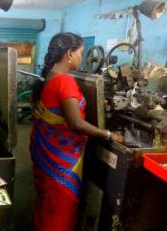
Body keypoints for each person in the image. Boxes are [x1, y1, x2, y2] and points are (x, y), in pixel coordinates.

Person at [29, 32, 124, 231]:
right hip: (60, 163)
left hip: (45, 155)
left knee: (47, 207)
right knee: (60, 212)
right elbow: (76, 123)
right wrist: (107, 134)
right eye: (80, 52)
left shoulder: (50, 77)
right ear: (69, 54)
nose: (82, 57)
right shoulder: (65, 82)